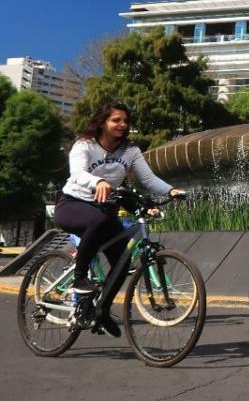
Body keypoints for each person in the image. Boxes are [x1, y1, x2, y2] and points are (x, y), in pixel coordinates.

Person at [57, 101, 182, 337]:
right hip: (72, 204)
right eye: (116, 120)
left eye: (125, 121)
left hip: (103, 211)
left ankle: (101, 312)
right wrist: (98, 182)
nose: (122, 125)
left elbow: (148, 178)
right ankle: (79, 279)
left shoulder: (130, 151)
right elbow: (78, 173)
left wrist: (170, 190)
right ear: (103, 122)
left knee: (123, 263)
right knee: (98, 220)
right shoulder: (84, 145)